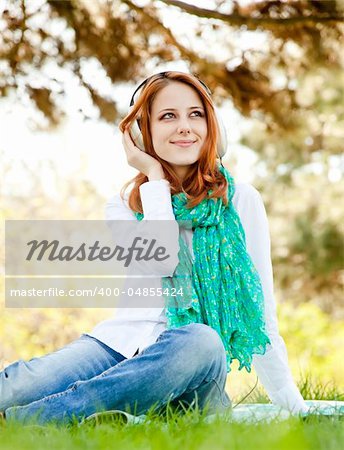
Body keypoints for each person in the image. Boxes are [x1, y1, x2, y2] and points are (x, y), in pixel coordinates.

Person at [0, 71, 309, 425]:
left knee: (201, 339)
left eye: (196, 114)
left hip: (192, 367)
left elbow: (261, 310)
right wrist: (155, 178)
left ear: (213, 128)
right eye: (168, 116)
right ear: (140, 133)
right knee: (24, 383)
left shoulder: (241, 201)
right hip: (118, 345)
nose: (185, 127)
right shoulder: (124, 205)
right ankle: (91, 414)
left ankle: (32, 421)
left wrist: (292, 406)